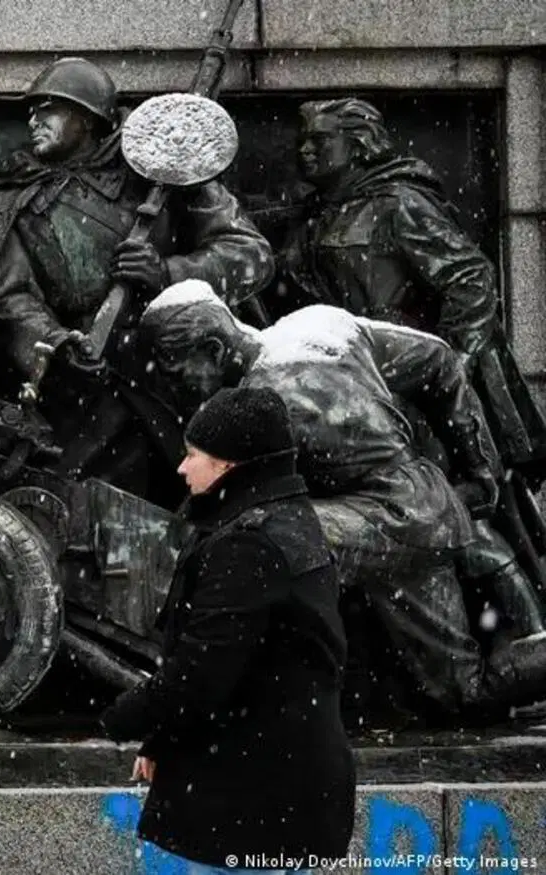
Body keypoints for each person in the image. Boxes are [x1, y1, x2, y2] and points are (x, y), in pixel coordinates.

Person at [137, 283, 546, 722]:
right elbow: (441, 361)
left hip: (398, 523)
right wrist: (478, 466)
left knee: (261, 539)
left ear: (215, 349)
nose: (179, 388)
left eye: (178, 373)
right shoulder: (319, 324)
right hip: (422, 506)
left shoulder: (262, 409)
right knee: (457, 693)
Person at [0, 58, 273, 507]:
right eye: (33, 110)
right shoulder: (17, 196)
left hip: (178, 376)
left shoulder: (161, 170)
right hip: (82, 389)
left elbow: (250, 255)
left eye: (51, 109)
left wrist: (167, 272)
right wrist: (55, 344)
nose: (34, 120)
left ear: (89, 118)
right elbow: (10, 296)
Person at [101, 386, 354, 873]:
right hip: (285, 781)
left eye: (193, 455)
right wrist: (163, 739)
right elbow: (251, 664)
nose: (182, 467)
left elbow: (202, 673)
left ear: (228, 466)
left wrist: (117, 723)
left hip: (249, 799)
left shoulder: (249, 546)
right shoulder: (292, 522)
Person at [268, 99, 546, 477]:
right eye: (302, 139)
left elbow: (470, 278)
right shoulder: (313, 216)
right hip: (344, 369)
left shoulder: (398, 203)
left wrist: (450, 362)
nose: (305, 149)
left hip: (402, 373)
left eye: (320, 138)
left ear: (359, 145)